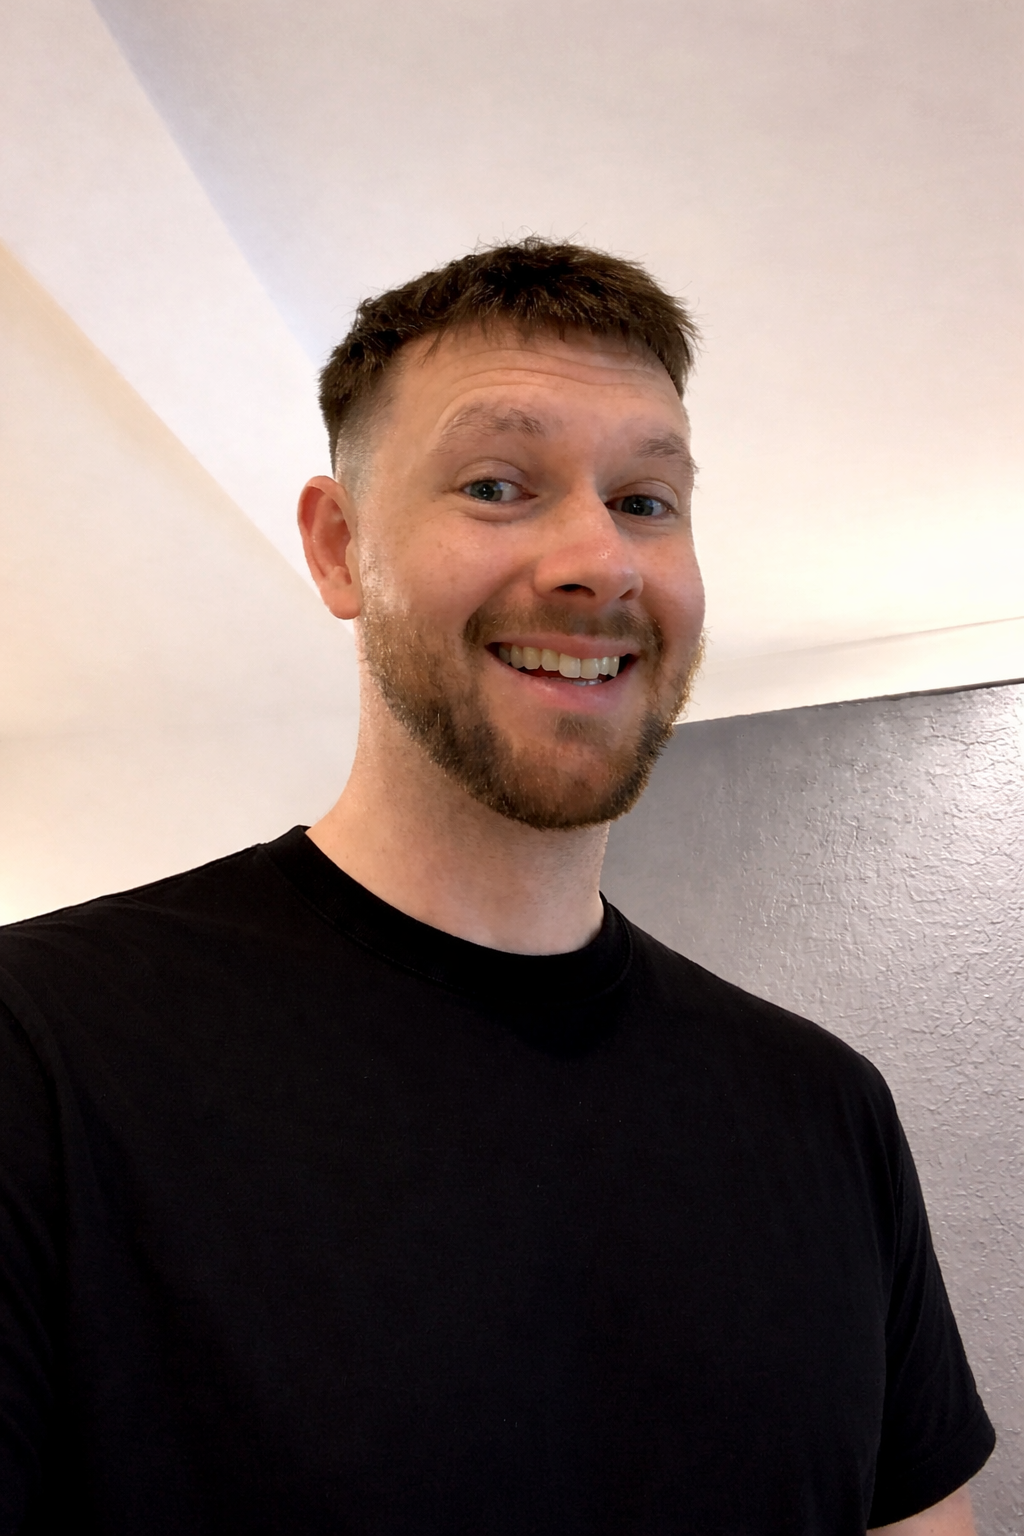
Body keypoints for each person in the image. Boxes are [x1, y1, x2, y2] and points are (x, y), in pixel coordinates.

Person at [0, 239, 994, 1535]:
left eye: (647, 500)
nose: (602, 559)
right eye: (498, 484)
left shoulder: (827, 1111)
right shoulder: (43, 1054)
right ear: (341, 549)